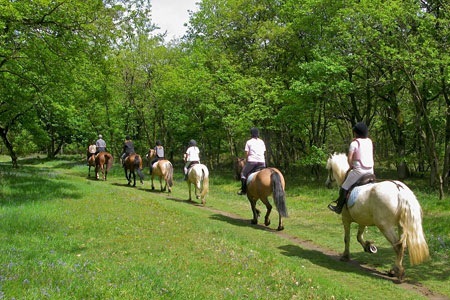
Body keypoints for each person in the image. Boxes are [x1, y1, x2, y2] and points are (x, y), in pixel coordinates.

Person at [328, 122, 374, 214]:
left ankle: (338, 207)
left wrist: (351, 166)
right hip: (370, 171)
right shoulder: (369, 141)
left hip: (359, 171)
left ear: (356, 133)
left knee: (344, 186)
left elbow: (349, 159)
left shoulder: (354, 143)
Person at [238, 127, 266, 195]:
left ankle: (243, 190)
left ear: (251, 134)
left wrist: (247, 160)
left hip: (252, 162)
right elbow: (264, 151)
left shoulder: (249, 142)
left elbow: (247, 154)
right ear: (258, 134)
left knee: (243, 174)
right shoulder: (261, 141)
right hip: (262, 162)